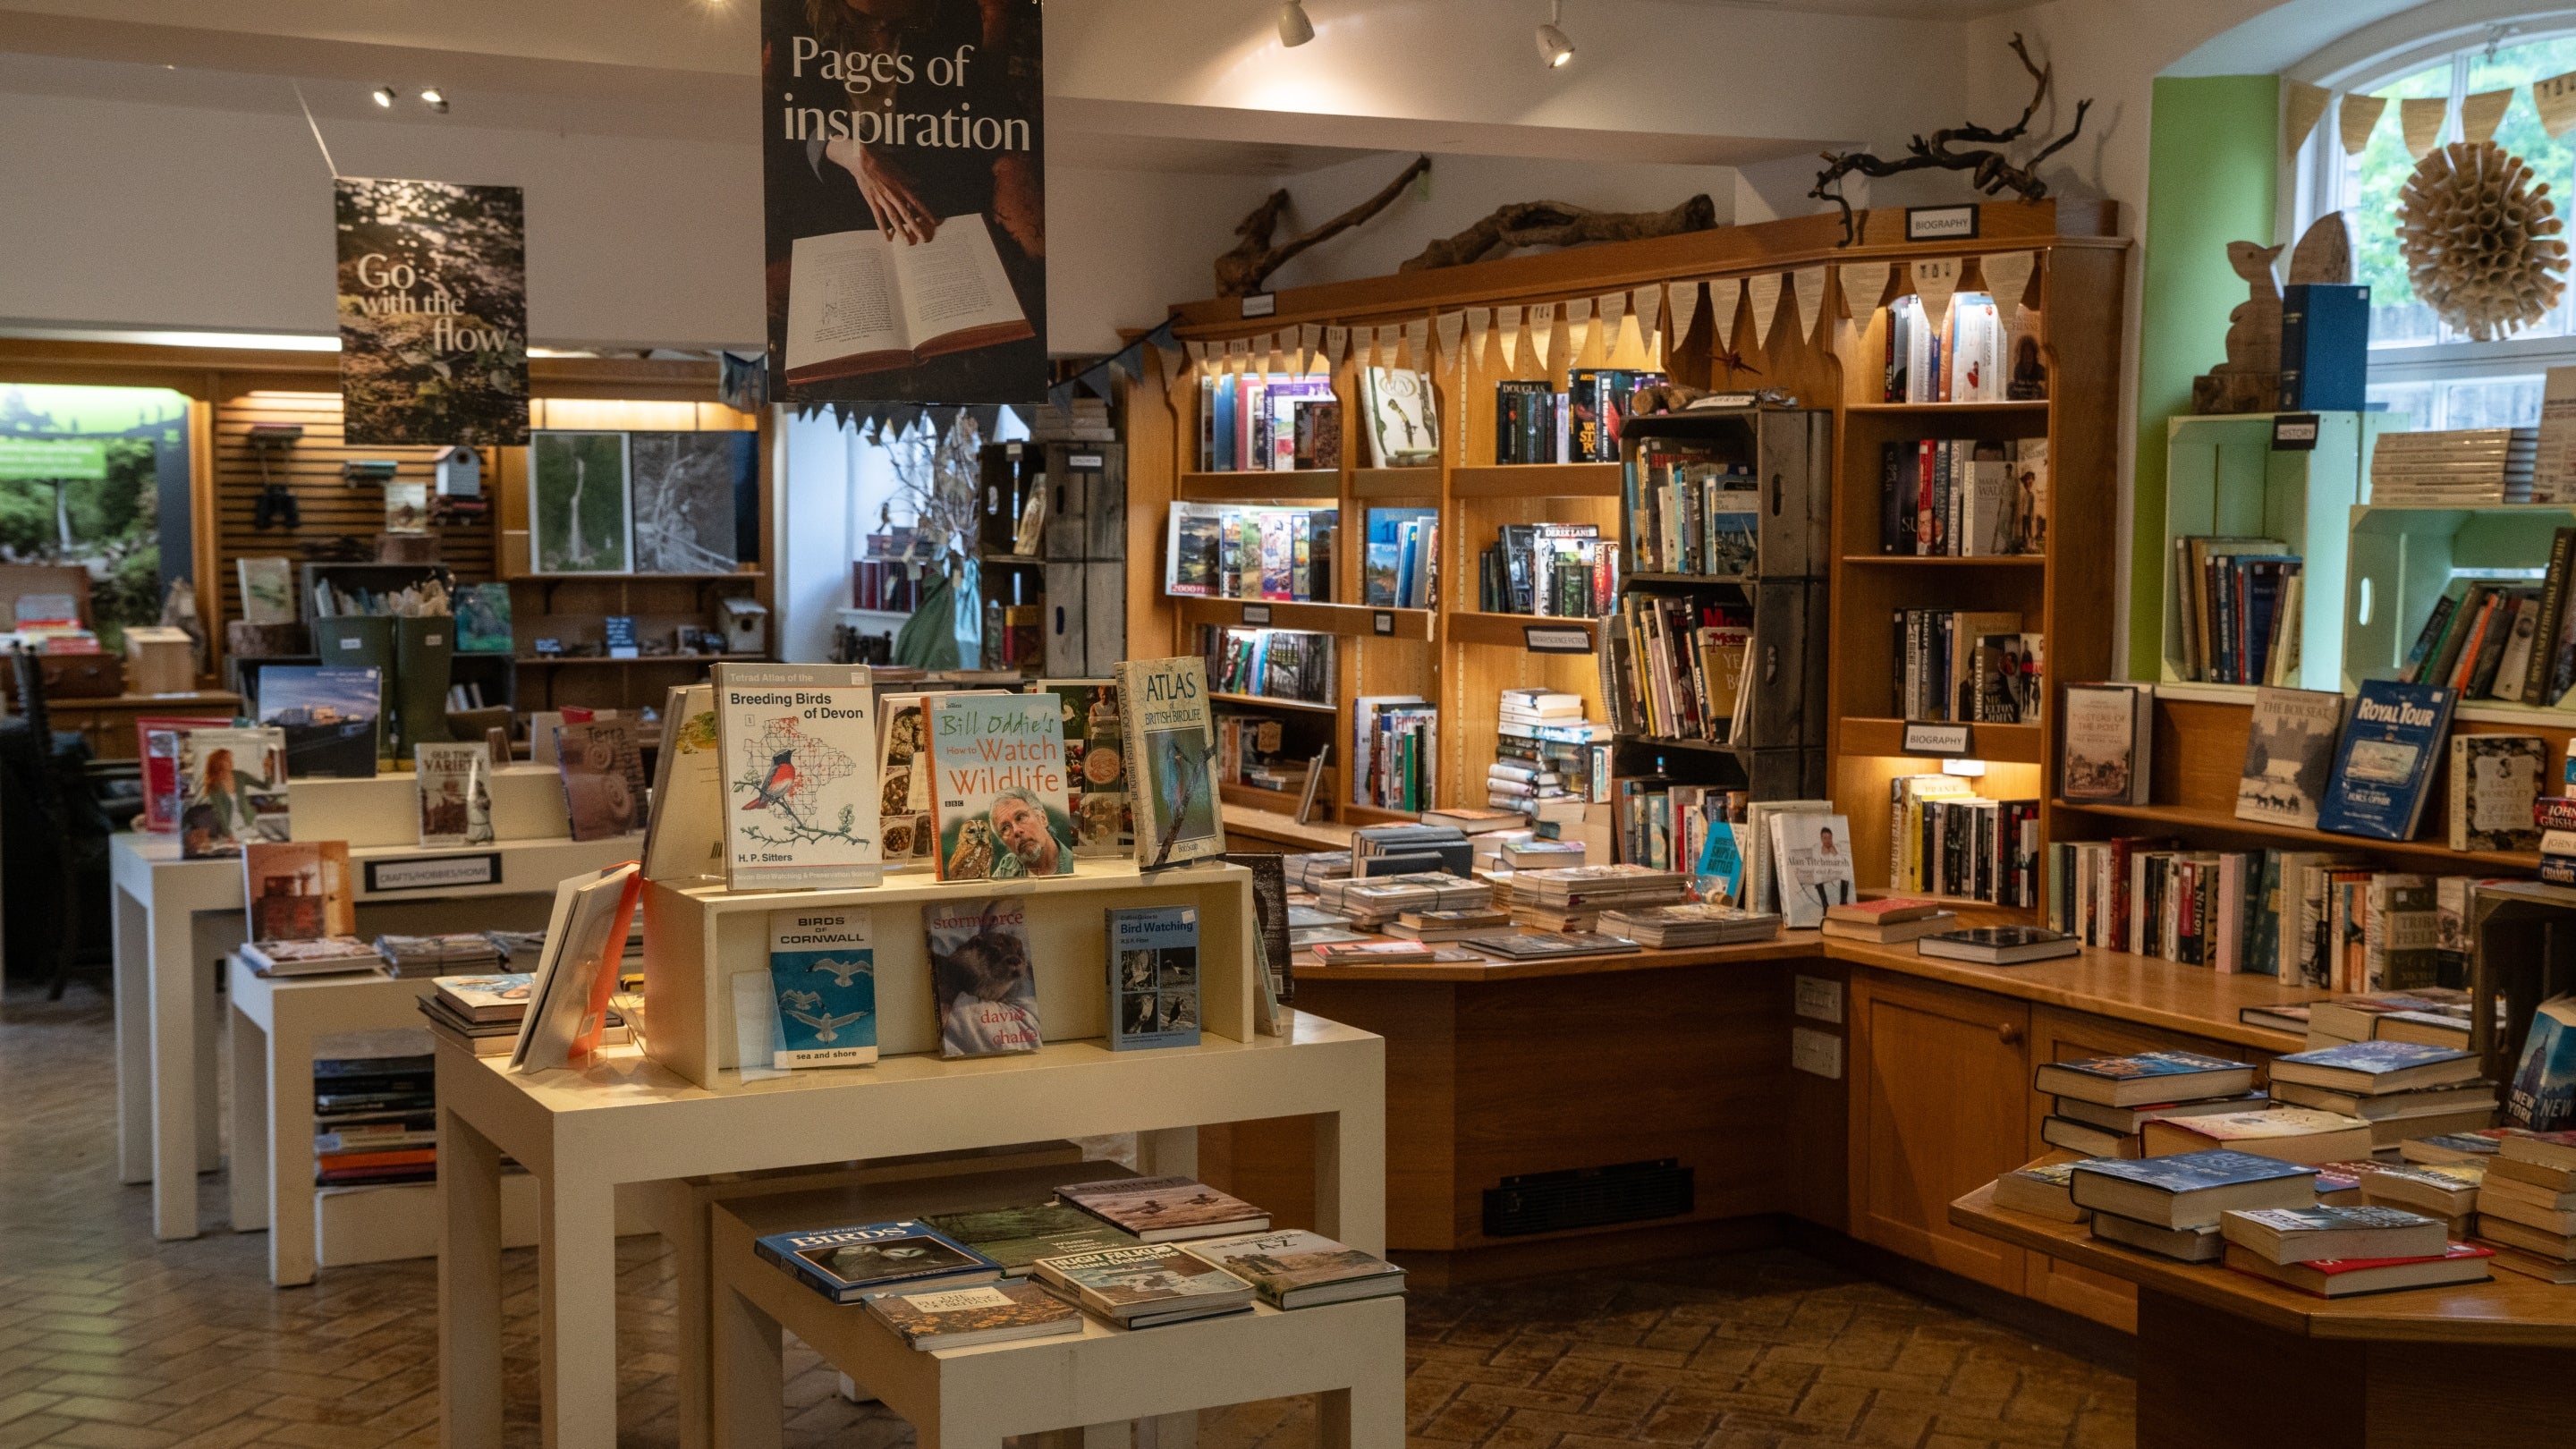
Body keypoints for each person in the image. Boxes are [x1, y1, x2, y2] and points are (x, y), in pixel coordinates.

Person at [986, 784, 1071, 877]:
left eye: (1020, 817)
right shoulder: (1005, 869)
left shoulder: (1073, 865)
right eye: (1005, 828)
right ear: (1003, 842)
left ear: (1043, 818)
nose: (1016, 831)